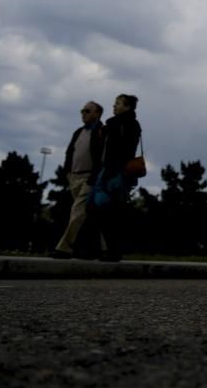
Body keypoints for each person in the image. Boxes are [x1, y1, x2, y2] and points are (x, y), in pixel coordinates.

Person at [88, 94, 141, 262]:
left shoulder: (123, 124)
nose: (114, 106)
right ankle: (109, 249)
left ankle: (112, 250)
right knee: (99, 210)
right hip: (109, 172)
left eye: (118, 103)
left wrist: (106, 128)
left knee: (106, 211)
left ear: (127, 107)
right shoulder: (118, 124)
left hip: (116, 173)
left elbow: (122, 148)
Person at [52, 101, 105, 259]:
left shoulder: (102, 131)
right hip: (74, 177)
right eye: (82, 111)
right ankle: (102, 249)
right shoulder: (78, 132)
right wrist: (67, 173)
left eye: (87, 111)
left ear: (97, 114)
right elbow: (70, 152)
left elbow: (102, 157)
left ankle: (64, 248)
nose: (83, 113)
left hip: (90, 178)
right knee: (91, 216)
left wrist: (95, 177)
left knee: (77, 212)